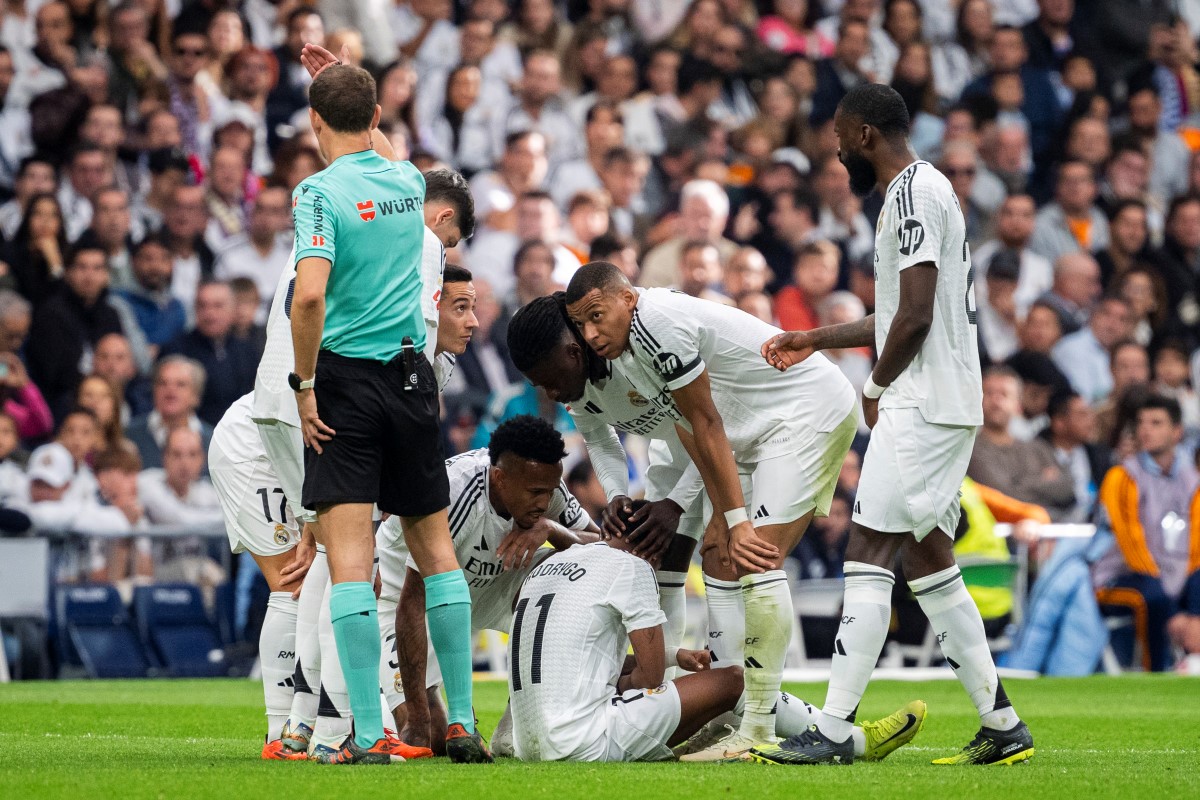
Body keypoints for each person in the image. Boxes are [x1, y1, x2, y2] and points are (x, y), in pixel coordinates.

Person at [760, 84, 1032, 765]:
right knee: (926, 557)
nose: (836, 153)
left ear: (862, 136)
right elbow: (901, 313)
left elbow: (913, 316)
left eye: (838, 139)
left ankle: (832, 726)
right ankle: (1001, 724)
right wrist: (814, 338)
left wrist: (876, 387)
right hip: (947, 400)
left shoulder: (909, 194)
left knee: (867, 548)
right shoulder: (927, 190)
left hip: (921, 402)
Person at [563, 260, 858, 761]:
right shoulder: (630, 346)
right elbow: (688, 427)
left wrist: (736, 517)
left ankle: (758, 728)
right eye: (582, 325)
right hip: (754, 434)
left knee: (753, 557)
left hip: (804, 411)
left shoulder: (657, 325)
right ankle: (726, 717)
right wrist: (720, 516)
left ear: (628, 298)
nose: (591, 334)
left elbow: (705, 420)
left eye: (597, 316)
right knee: (720, 555)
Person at [287, 54, 482, 765]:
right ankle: (461, 720)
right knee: (438, 557)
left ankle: (367, 734)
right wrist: (348, 78)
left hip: (342, 383)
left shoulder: (317, 193)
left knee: (349, 563)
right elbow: (385, 147)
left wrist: (303, 384)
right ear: (374, 119)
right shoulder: (406, 181)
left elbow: (309, 296)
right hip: (411, 380)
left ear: (314, 123)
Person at [509, 534, 924, 763]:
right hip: (583, 743)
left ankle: (717, 733)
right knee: (731, 683)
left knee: (692, 693)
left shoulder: (556, 566)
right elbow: (649, 679)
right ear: (649, 546)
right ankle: (851, 739)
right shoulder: (631, 567)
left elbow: (586, 664)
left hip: (530, 745)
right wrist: (645, 674)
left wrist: (674, 658)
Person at [389, 416, 598, 755]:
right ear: (500, 479)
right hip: (408, 597)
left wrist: (552, 530)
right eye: (535, 493)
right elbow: (413, 600)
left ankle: (515, 724)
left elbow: (604, 546)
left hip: (488, 587)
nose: (545, 502)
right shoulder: (456, 491)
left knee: (566, 569)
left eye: (549, 491)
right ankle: (366, 706)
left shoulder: (546, 483)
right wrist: (417, 719)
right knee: (434, 738)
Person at [1094, 395, 1200, 671]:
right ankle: (1155, 672)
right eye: (1141, 423)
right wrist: (1175, 605)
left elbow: (1196, 546)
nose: (1145, 430)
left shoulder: (1193, 481)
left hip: (1170, 576)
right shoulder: (1122, 476)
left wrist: (1193, 609)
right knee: (1151, 597)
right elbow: (1131, 547)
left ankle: (1191, 661)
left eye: (1156, 423)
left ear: (1177, 432)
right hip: (1117, 577)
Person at [126, 356, 213, 472]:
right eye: (163, 383)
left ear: (196, 395)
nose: (170, 390)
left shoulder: (214, 442)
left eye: (180, 384)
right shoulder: (128, 435)